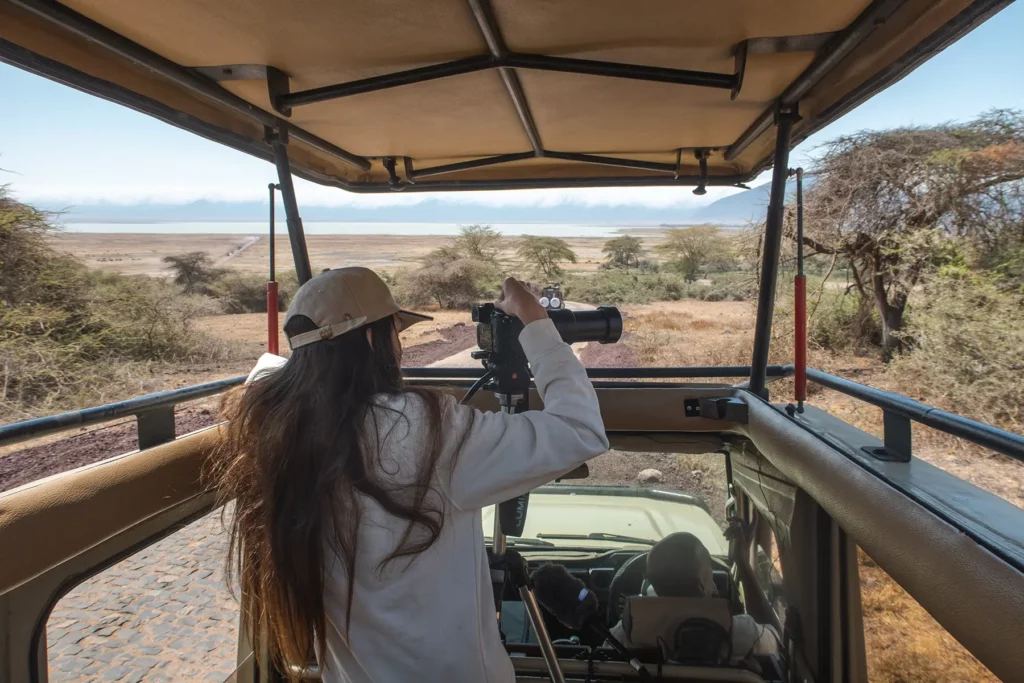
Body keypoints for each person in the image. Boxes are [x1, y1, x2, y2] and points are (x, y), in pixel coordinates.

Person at [210, 267, 609, 683]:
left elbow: (270, 371)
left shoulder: (275, 426)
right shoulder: (424, 429)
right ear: (371, 338)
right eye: (394, 334)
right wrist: (535, 321)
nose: (398, 349)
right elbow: (579, 431)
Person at [609, 532, 779, 666]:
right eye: (709, 568)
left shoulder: (624, 636)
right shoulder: (744, 634)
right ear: (701, 587)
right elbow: (777, 642)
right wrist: (743, 564)